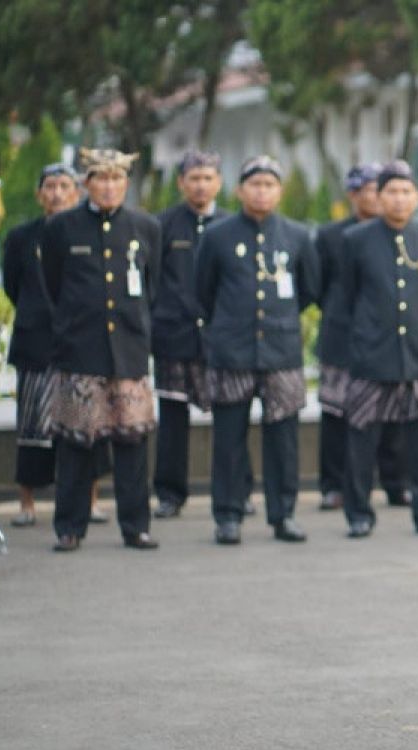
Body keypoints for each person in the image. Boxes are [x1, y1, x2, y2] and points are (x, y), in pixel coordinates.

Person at [195, 155, 320, 545]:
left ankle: (284, 515)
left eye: (269, 184)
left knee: (283, 440)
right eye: (254, 184)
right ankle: (228, 515)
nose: (261, 191)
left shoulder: (298, 235)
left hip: (281, 353)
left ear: (279, 191)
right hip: (232, 352)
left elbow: (309, 289)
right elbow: (202, 291)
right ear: (239, 190)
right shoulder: (217, 235)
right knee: (229, 438)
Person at [40, 148, 161, 552]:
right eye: (101, 179)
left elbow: (151, 286)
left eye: (116, 179)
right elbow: (53, 285)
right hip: (80, 351)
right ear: (86, 184)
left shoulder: (145, 226)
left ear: (125, 183)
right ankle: (70, 527)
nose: (109, 187)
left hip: (127, 352)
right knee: (74, 443)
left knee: (133, 443)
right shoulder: (62, 228)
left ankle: (135, 526)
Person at [339, 160, 418, 538]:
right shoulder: (355, 240)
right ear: (378, 196)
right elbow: (346, 297)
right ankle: (359, 514)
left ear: (417, 197)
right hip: (372, 355)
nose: (399, 199)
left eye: (407, 192)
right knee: (361, 439)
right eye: (391, 191)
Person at [2, 163, 111, 528]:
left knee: (85, 424)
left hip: (82, 342)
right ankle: (28, 504)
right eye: (50, 186)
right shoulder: (21, 237)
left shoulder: (91, 233)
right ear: (39, 194)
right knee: (33, 424)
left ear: (77, 192)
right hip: (36, 341)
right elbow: (13, 286)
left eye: (65, 186)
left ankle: (91, 501)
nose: (57, 193)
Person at [152, 150, 255, 519]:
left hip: (221, 341)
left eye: (208, 178)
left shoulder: (232, 226)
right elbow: (151, 282)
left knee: (231, 421)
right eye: (193, 178)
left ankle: (238, 491)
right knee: (173, 422)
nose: (200, 185)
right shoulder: (161, 226)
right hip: (174, 337)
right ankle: (169, 494)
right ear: (181, 183)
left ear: (220, 183)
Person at [314, 163, 410, 512]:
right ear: (353, 195)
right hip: (341, 337)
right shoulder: (331, 236)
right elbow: (317, 285)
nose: (372, 196)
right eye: (365, 190)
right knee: (338, 414)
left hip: (387, 340)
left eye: (376, 189)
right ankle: (333, 485)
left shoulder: (403, 235)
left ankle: (396, 483)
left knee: (392, 416)